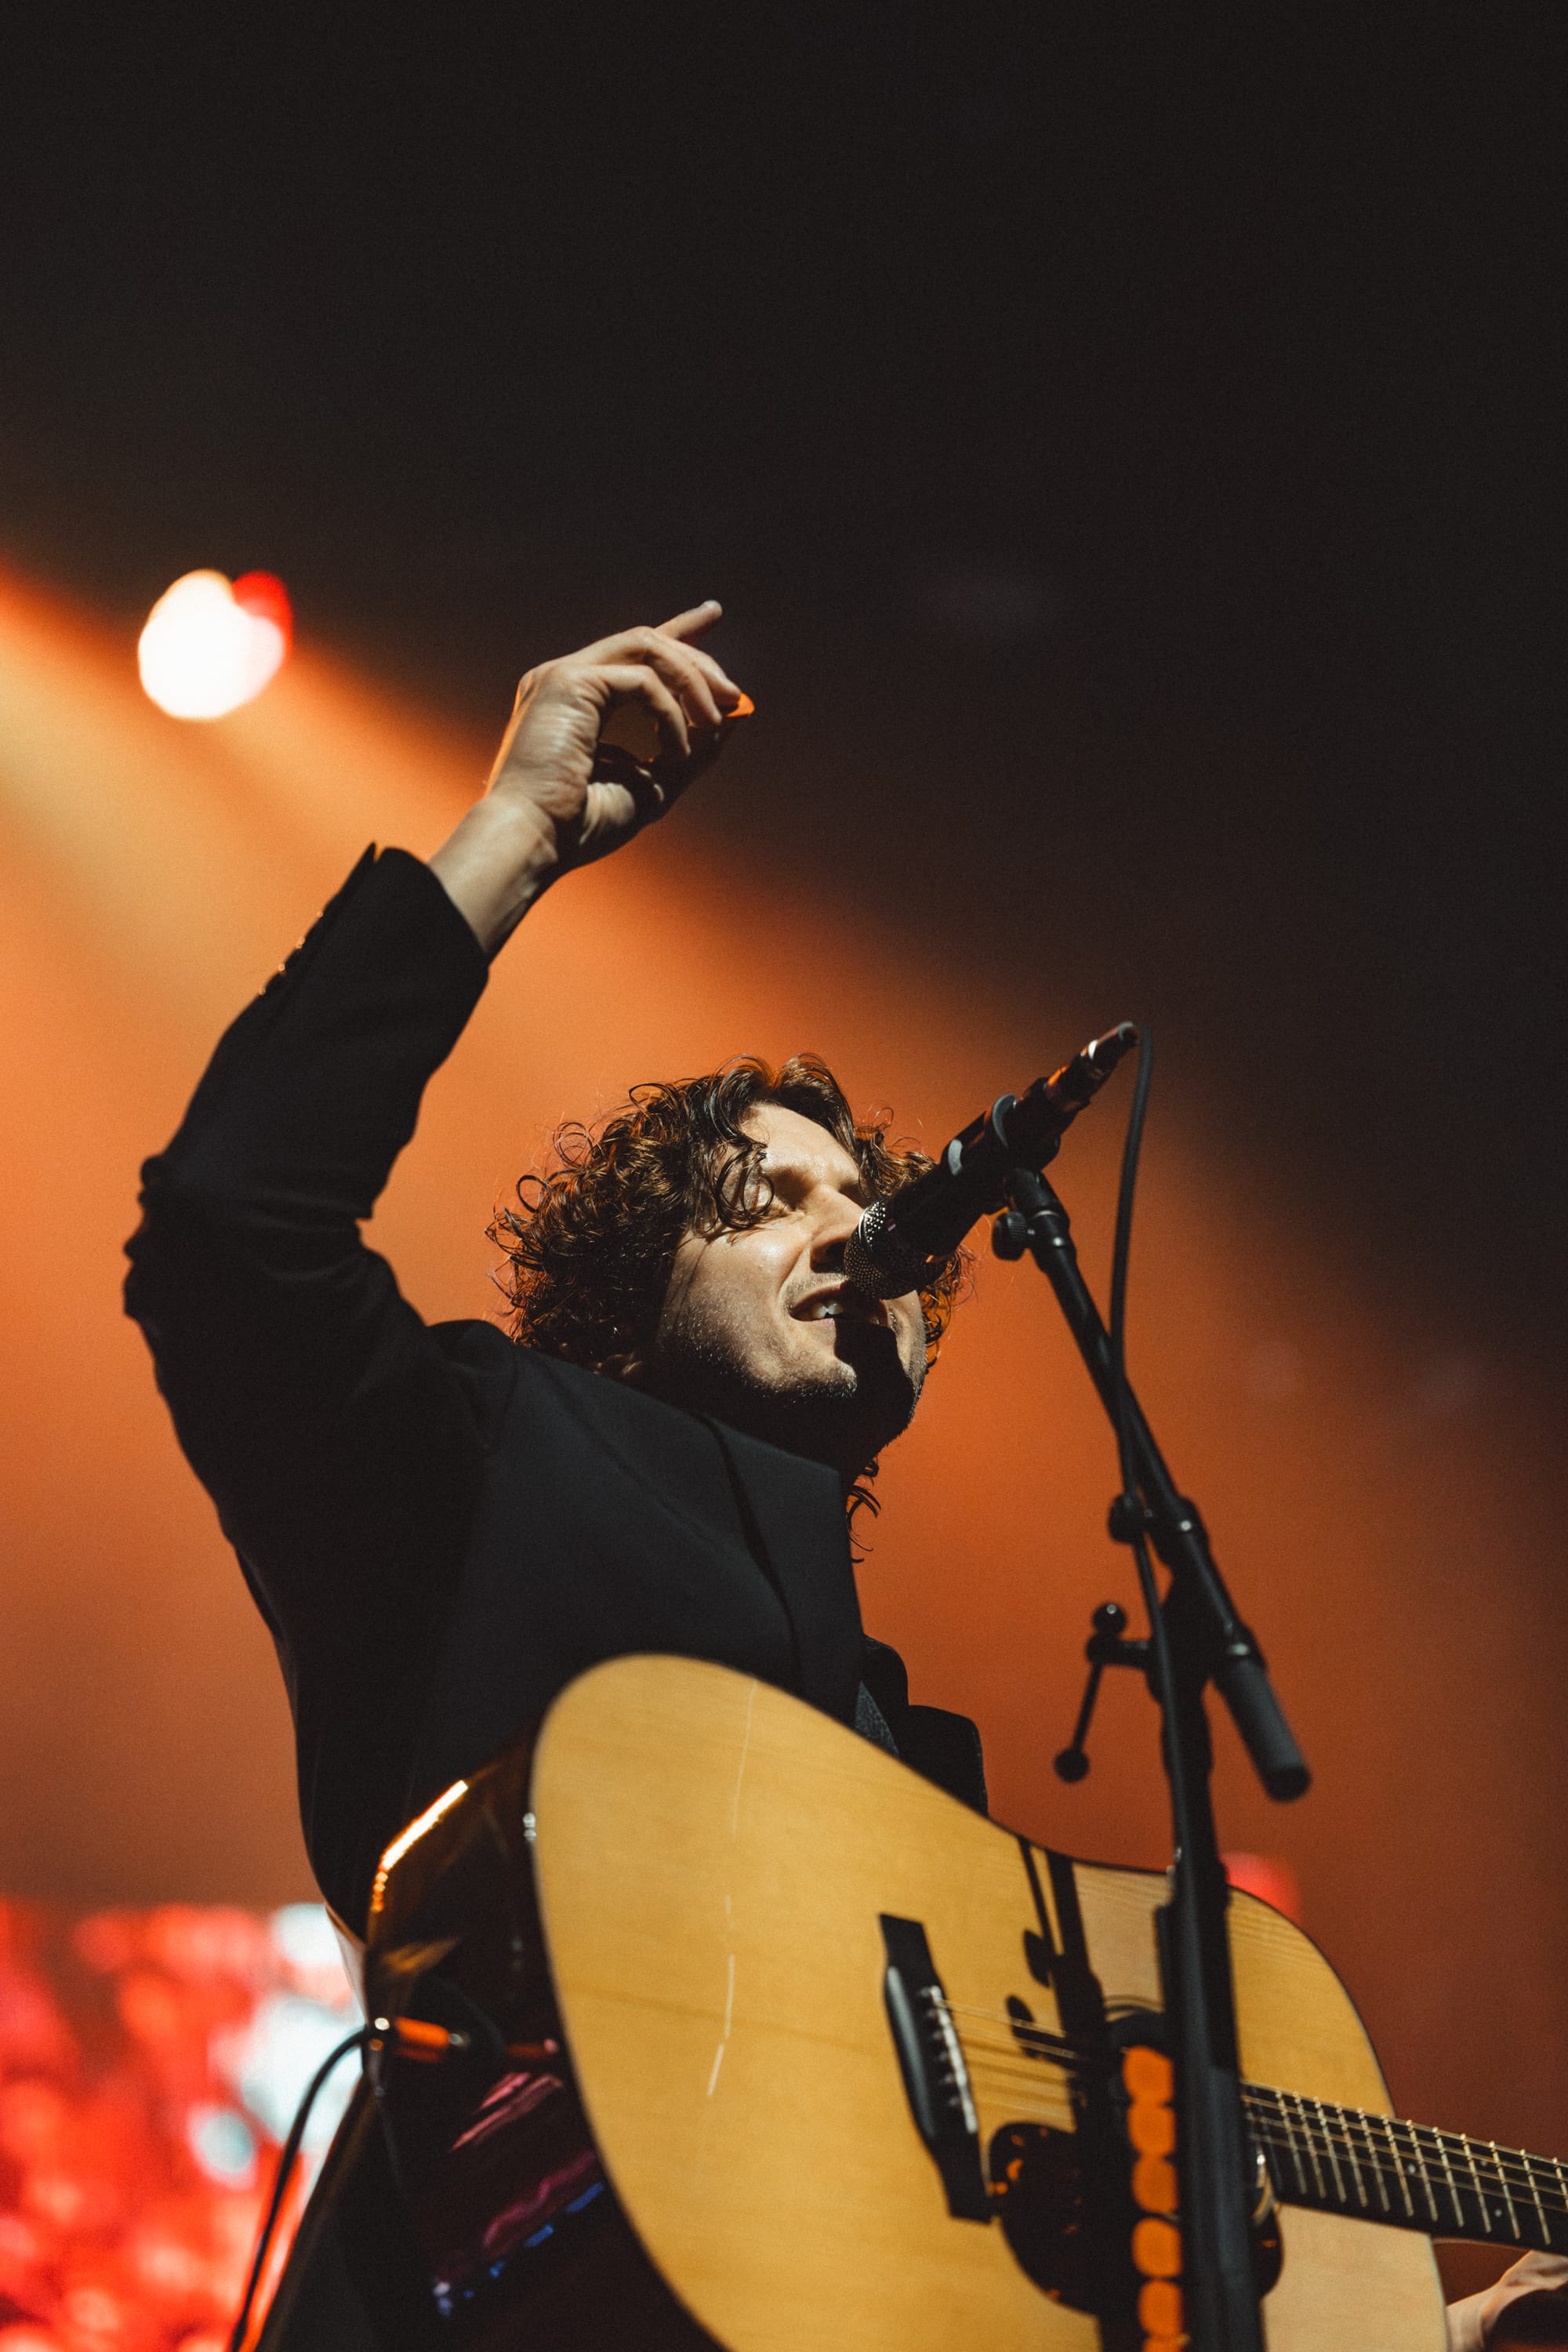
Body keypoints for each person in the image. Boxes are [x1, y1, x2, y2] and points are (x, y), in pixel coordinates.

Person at [125, 604, 1565, 2349]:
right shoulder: (474, 1452)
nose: (859, 1226)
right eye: (775, 1197)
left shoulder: (890, 1777)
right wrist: (508, 834)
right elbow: (230, 1223)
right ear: (630, 1282)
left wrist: (1445, 2340)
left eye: (858, 1192)